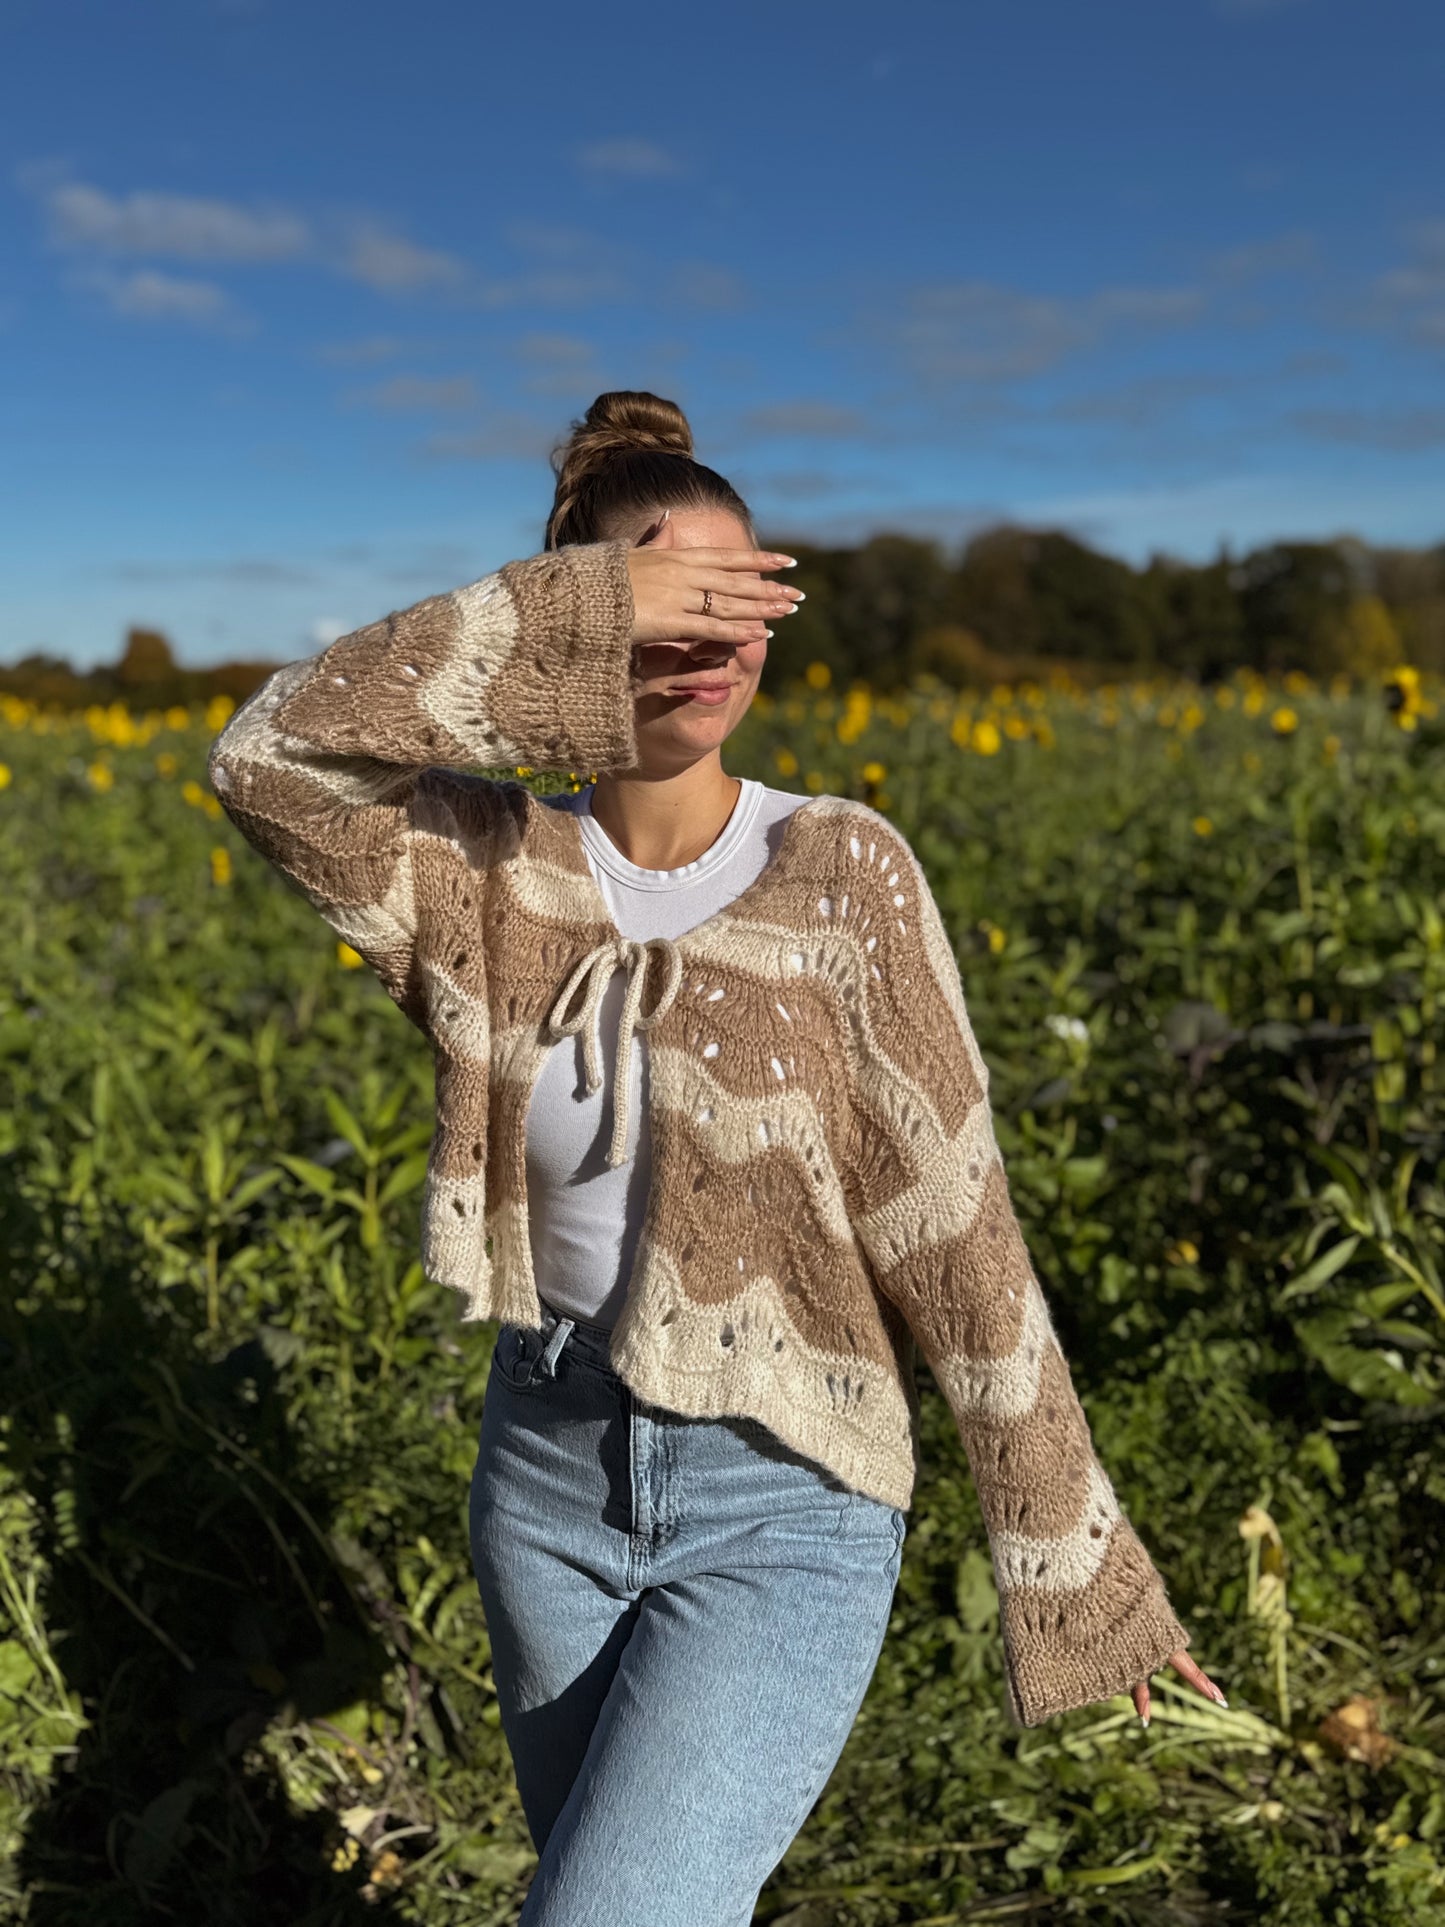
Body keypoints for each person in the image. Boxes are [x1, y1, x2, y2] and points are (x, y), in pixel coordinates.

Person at [208, 389, 1224, 1926]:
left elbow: (953, 1227)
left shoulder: (843, 872)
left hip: (788, 1496)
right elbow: (268, 757)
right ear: (570, 626)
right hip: (542, 1478)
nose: (712, 636)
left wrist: (1066, 1543)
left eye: (744, 597)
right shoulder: (488, 868)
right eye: (666, 597)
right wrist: (567, 608)